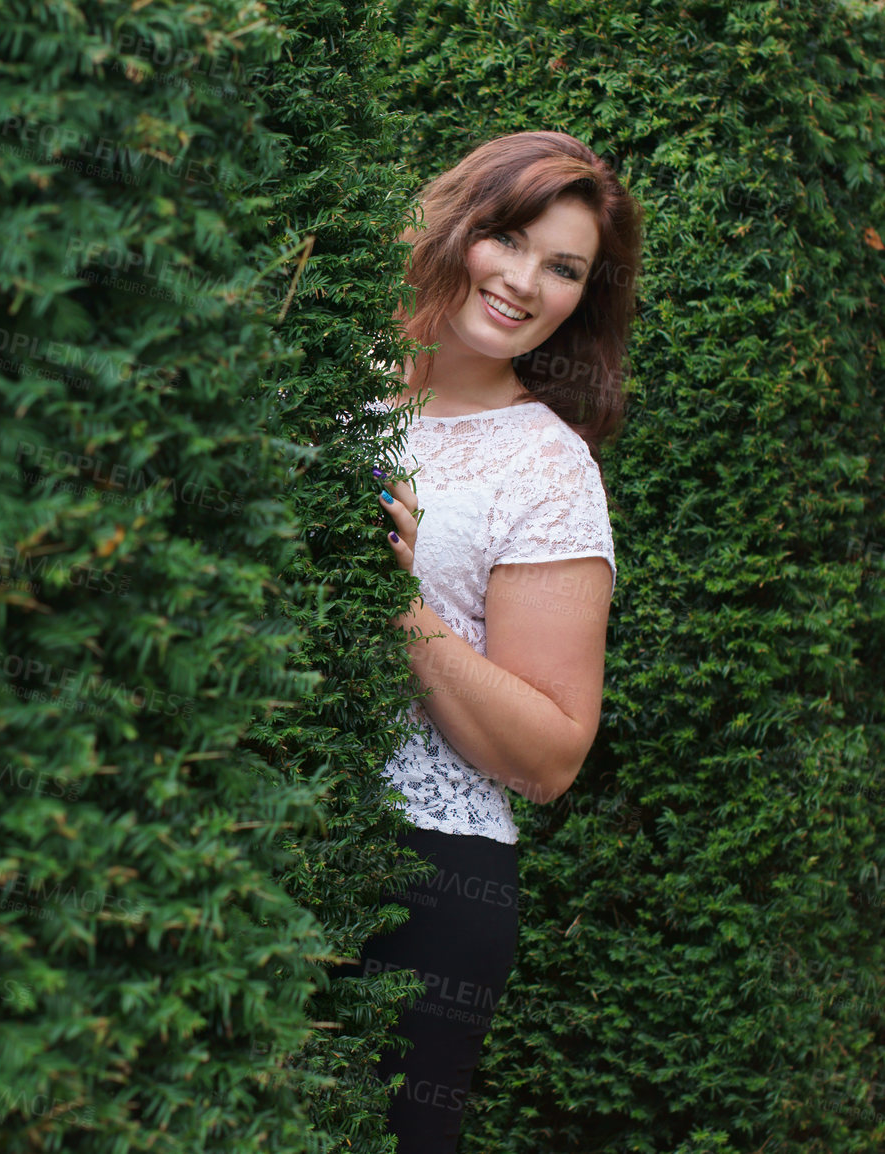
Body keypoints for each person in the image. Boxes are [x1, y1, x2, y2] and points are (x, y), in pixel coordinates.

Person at [345, 130, 642, 1151]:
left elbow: (553, 754)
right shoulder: (319, 368)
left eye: (562, 267)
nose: (524, 282)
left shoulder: (546, 469)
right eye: (508, 238)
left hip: (419, 879)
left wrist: (396, 598)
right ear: (456, 224)